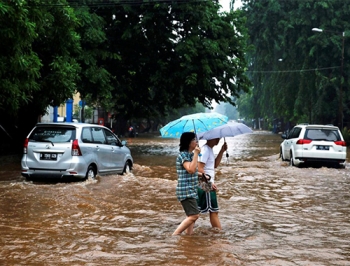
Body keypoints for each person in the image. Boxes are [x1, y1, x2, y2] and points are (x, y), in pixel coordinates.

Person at [172, 132, 201, 236]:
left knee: (191, 216)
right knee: (194, 215)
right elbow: (190, 169)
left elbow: (192, 171)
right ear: (189, 142)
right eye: (194, 140)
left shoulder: (190, 155)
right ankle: (175, 235)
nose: (197, 142)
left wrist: (202, 175)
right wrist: (197, 154)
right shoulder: (183, 155)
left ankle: (189, 237)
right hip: (186, 190)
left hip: (191, 189)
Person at [198, 138, 227, 230]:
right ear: (211, 138)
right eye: (217, 137)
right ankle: (219, 235)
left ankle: (188, 233)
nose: (219, 139)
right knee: (213, 211)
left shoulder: (209, 149)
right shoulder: (205, 149)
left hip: (207, 183)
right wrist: (209, 184)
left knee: (207, 211)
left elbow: (214, 165)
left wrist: (222, 150)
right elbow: (199, 169)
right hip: (206, 184)